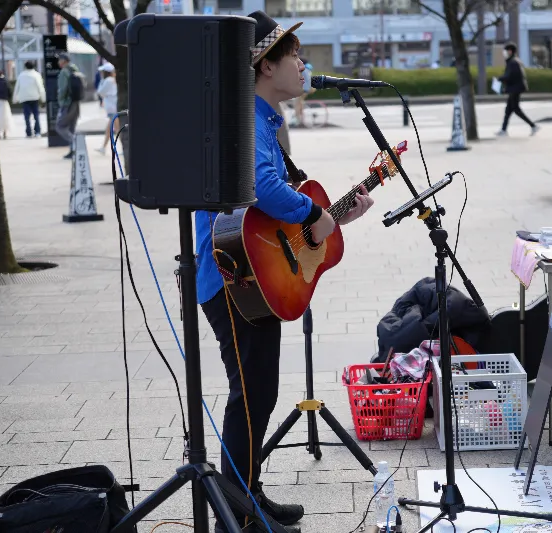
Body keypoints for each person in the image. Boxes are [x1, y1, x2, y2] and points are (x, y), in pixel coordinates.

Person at [194, 11, 375, 532]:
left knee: (257, 392)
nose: (303, 64)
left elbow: (278, 204)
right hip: (233, 279)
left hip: (251, 276)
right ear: (266, 65)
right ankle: (236, 510)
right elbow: (265, 189)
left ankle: (246, 494)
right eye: (293, 54)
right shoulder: (249, 122)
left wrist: (333, 214)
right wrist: (314, 214)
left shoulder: (262, 122)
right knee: (251, 393)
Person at [496, 42, 539, 137]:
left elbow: (510, 76)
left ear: (510, 51)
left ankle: (533, 126)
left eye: (506, 51)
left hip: (515, 89)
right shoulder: (514, 61)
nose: (504, 53)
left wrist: (500, 79)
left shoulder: (513, 62)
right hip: (515, 88)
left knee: (516, 109)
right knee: (508, 110)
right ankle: (503, 130)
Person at [55, 53, 84, 159]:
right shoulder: (76, 70)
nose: (58, 62)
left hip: (67, 103)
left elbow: (62, 89)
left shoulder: (64, 72)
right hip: (76, 103)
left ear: (63, 61)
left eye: (59, 60)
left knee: (60, 126)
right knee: (71, 128)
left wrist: (61, 101)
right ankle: (73, 150)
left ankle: (75, 143)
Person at [12, 61, 46, 138]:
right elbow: (40, 87)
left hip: (24, 98)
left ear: (25, 67)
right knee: (36, 115)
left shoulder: (21, 75)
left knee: (26, 116)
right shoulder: (36, 75)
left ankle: (28, 132)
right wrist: (43, 99)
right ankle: (37, 131)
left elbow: (17, 88)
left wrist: (15, 99)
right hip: (35, 97)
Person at [94, 63, 118, 155]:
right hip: (112, 108)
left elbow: (100, 92)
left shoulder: (108, 80)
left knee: (117, 128)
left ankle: (125, 146)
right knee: (110, 128)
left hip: (112, 108)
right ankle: (104, 147)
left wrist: (101, 81)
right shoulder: (111, 80)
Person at [293, 57, 315, 127]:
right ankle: (301, 120)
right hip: (306, 89)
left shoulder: (302, 70)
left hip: (303, 89)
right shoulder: (307, 70)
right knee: (300, 103)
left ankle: (297, 120)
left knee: (296, 103)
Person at [0, 71, 13, 140]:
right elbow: (10, 91)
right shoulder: (5, 81)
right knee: (5, 116)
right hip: (4, 101)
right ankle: (5, 133)